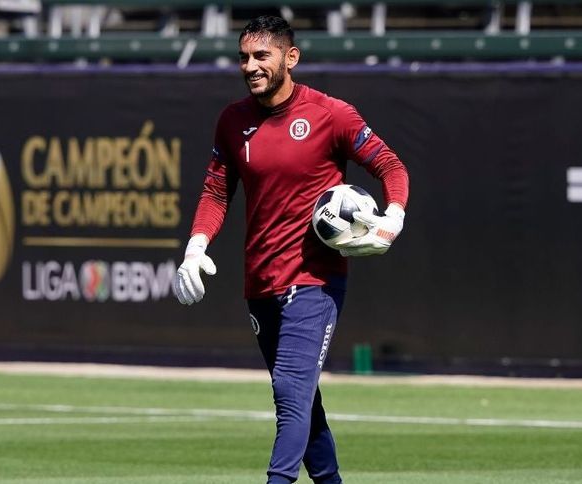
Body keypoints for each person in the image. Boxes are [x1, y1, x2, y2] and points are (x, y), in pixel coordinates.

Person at [172, 15, 410, 484]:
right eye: (244, 57)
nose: (250, 66)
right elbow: (216, 193)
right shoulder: (232, 120)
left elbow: (391, 166)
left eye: (262, 56)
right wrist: (195, 248)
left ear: (290, 58)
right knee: (304, 402)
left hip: (314, 281)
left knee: (289, 391)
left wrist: (393, 218)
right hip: (259, 284)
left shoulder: (331, 114)